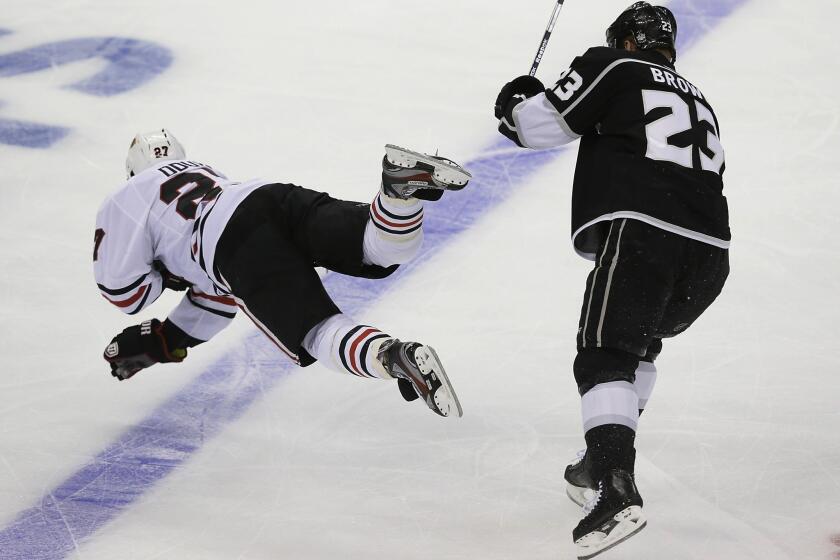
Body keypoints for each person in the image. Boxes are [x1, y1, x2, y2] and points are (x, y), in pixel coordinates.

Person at [494, 2, 730, 557]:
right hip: (712, 253)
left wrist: (514, 100)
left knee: (603, 355)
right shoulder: (699, 97)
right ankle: (598, 461)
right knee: (639, 344)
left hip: (646, 234)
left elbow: (537, 125)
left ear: (625, 40)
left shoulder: (614, 65)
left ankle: (615, 488)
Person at [94, 129, 470, 418]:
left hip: (229, 240)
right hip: (267, 196)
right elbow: (218, 294)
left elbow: (125, 292)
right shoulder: (202, 172)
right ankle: (397, 191)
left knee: (317, 330)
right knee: (379, 249)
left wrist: (165, 275)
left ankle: (391, 356)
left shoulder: (124, 198)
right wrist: (168, 339)